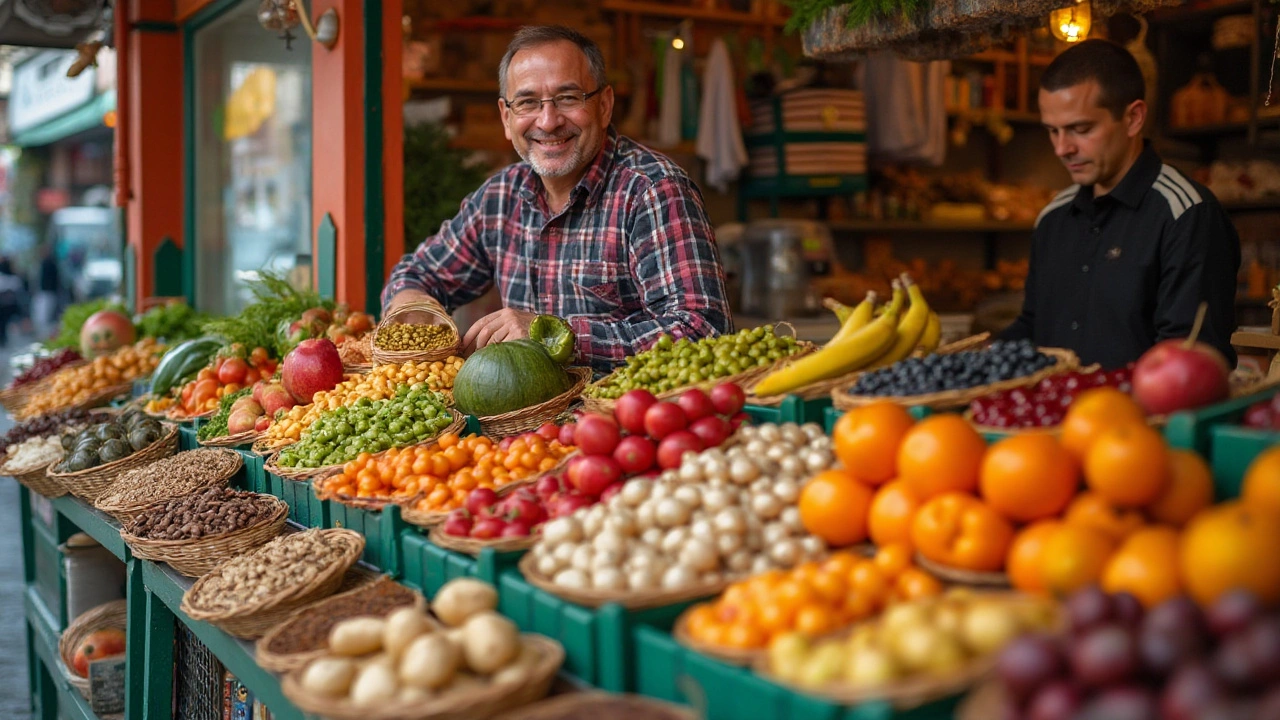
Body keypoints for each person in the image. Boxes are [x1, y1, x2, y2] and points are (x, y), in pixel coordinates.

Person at [381, 25, 732, 373]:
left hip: (628, 419)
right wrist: (411, 301)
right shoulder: (499, 197)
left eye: (568, 98)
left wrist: (554, 335)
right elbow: (418, 273)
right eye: (528, 102)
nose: (548, 122)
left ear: (605, 105)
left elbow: (704, 332)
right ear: (507, 117)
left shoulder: (653, 190)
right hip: (530, 423)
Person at [1000, 39, 1241, 369]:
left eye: (1079, 129)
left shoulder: (1187, 214)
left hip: (1139, 419)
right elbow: (1033, 325)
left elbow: (1189, 359)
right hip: (1053, 419)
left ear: (1133, 118)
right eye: (1053, 131)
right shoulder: (1053, 217)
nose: (1061, 148)